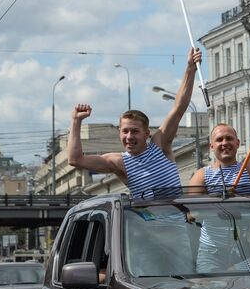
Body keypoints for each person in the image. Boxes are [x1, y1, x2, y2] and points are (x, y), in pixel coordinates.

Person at [68, 47, 202, 198]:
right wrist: (76, 121)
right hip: (148, 221)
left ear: (147, 133)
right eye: (125, 131)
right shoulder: (119, 162)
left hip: (177, 220)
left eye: (135, 131)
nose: (129, 136)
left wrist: (190, 69)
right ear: (119, 132)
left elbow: (178, 109)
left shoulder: (160, 145)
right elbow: (75, 160)